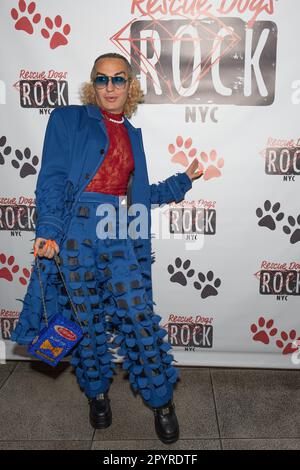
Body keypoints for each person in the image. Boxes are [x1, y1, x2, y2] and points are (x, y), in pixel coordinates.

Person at [11, 52, 202, 444]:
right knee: (87, 323)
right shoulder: (67, 119)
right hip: (75, 233)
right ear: (92, 83)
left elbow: (138, 194)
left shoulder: (133, 134)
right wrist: (47, 229)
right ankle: (97, 394)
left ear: (130, 86)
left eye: (118, 79)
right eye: (102, 79)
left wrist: (183, 181)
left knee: (137, 318)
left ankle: (161, 400)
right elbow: (52, 177)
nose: (110, 87)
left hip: (118, 229)